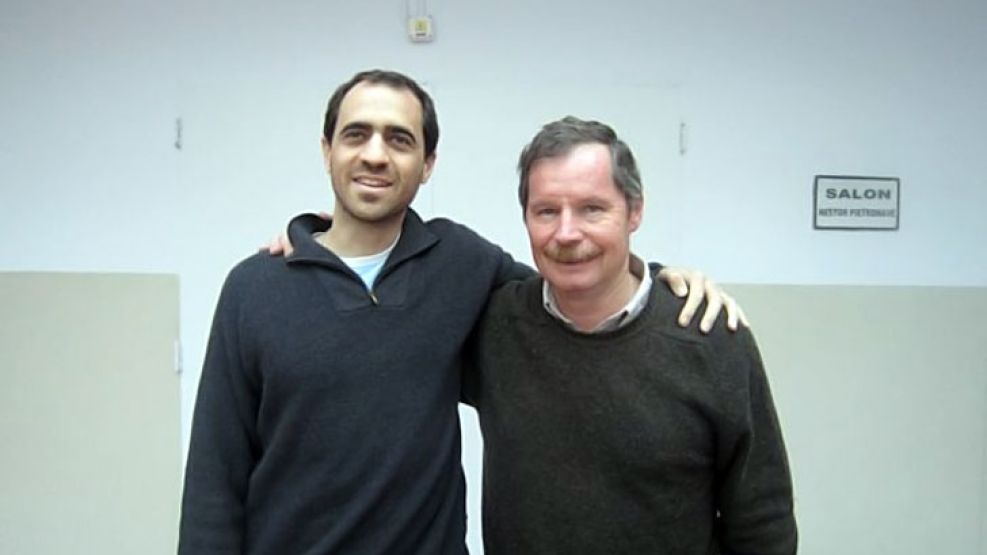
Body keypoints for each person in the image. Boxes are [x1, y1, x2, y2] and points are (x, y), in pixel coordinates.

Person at [178, 69, 742, 554]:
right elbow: (214, 479)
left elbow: (574, 289)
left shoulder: (460, 263)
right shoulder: (254, 288)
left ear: (427, 164)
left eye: (399, 139)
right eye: (356, 134)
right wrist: (305, 244)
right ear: (327, 150)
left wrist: (660, 279)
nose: (375, 154)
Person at [464, 116, 797, 554]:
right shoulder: (496, 326)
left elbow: (763, 519)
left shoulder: (707, 335)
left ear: (634, 211)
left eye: (592, 209)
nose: (566, 233)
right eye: (547, 211)